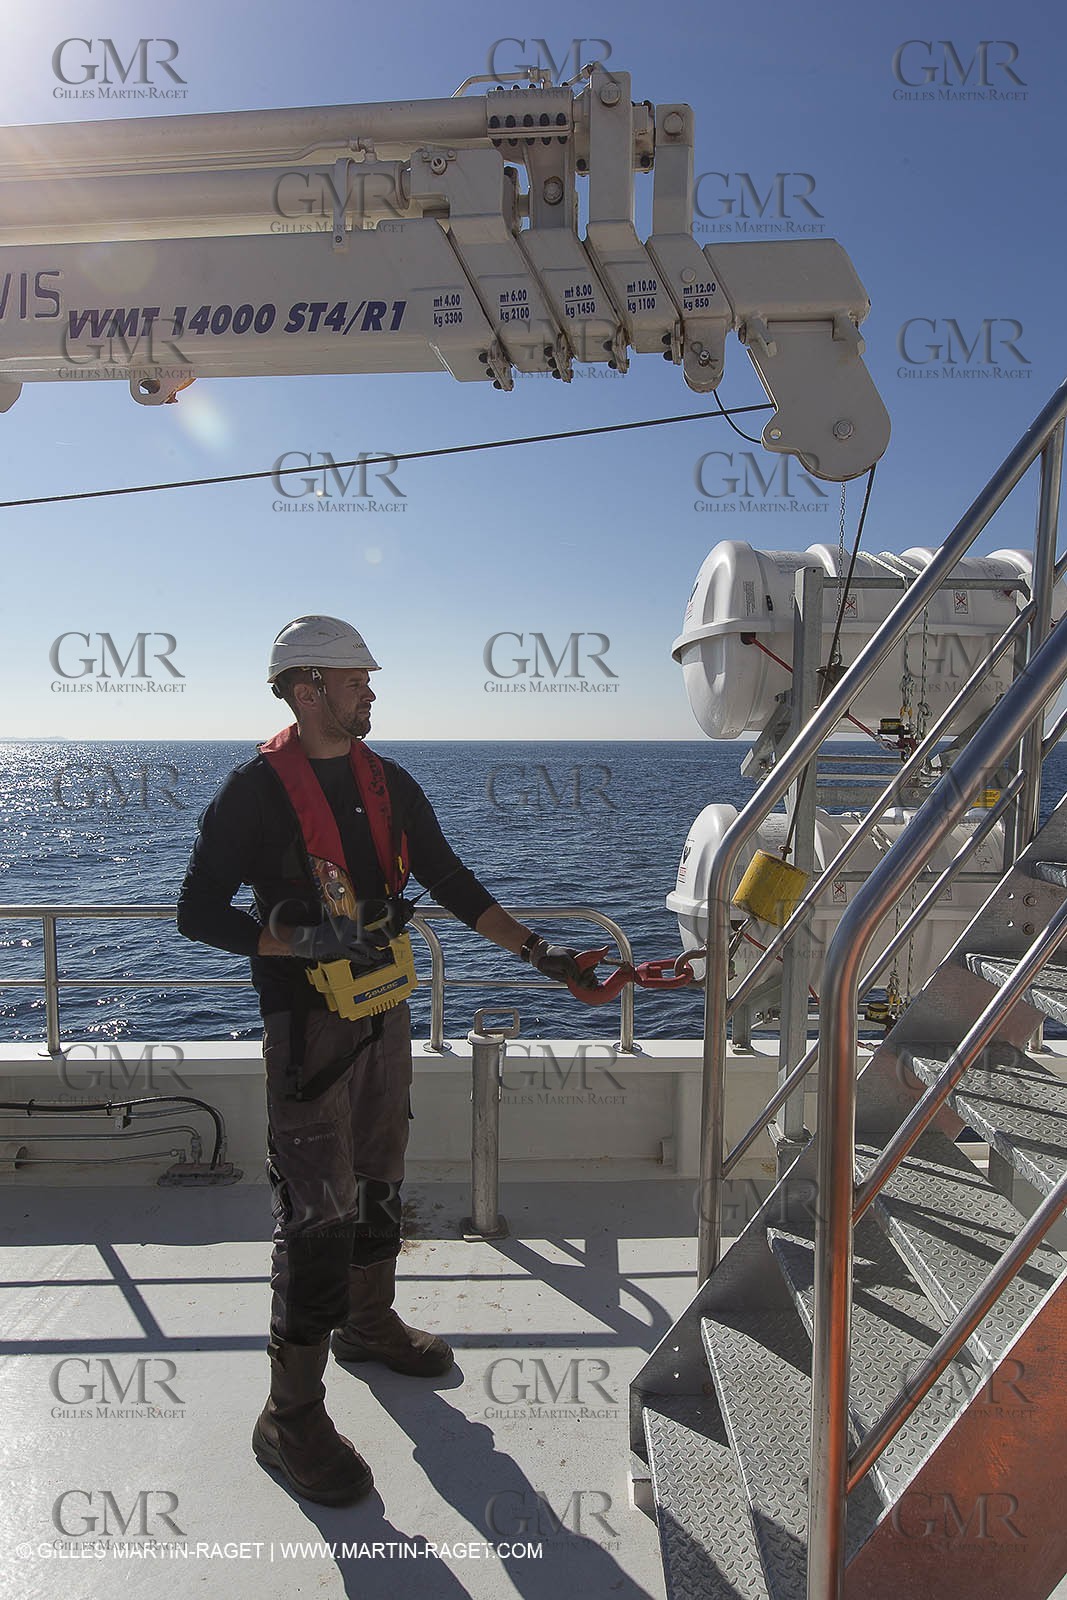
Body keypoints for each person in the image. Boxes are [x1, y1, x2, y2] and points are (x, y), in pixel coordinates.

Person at [176, 615, 594, 1506]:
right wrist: (294, 942)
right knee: (317, 1211)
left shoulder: (388, 783)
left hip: (382, 1011)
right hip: (306, 1027)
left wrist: (542, 954)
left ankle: (367, 1323)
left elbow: (449, 879)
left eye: (368, 679)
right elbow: (196, 911)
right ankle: (289, 1416)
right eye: (354, 679)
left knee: (379, 1175)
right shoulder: (252, 793)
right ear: (307, 689)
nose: (370, 691)